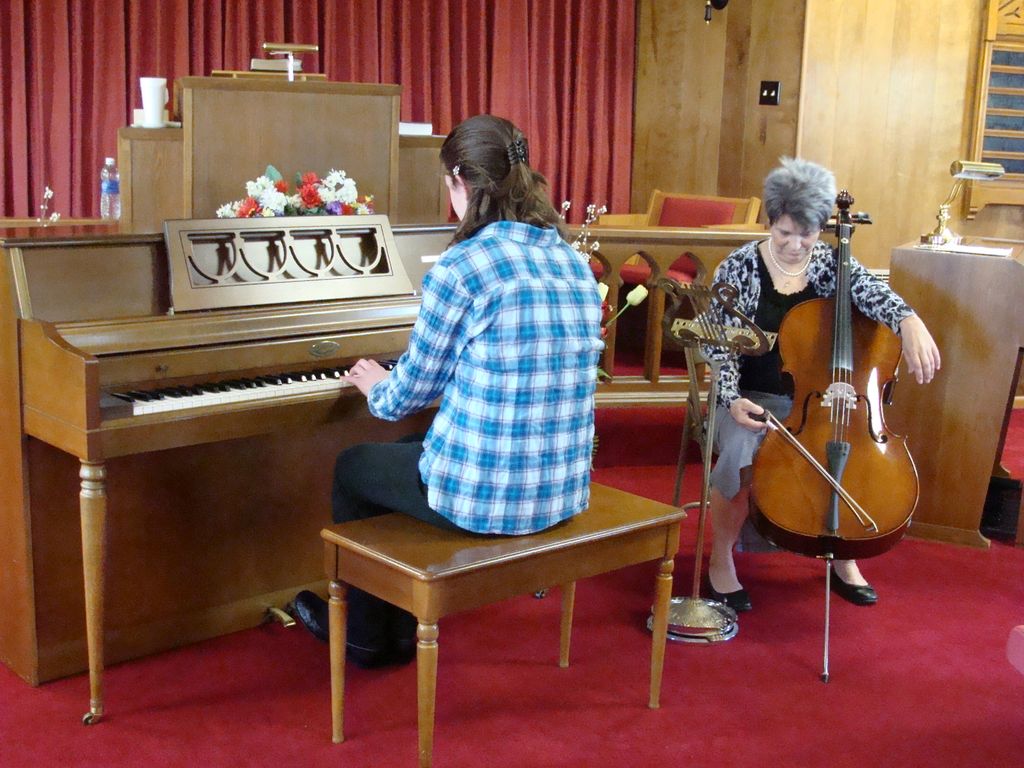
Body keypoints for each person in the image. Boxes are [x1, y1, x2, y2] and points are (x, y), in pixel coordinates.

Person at [291, 115, 605, 666]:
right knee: (403, 456)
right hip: (558, 490)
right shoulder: (572, 262)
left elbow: (400, 401)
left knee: (352, 467)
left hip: (487, 498)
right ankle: (399, 621)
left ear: (461, 181)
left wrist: (374, 381)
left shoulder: (463, 266)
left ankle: (368, 637)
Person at [703, 157, 940, 612]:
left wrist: (909, 321)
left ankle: (843, 556)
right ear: (771, 222)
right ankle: (721, 560)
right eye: (784, 233)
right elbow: (722, 347)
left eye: (805, 235)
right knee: (738, 446)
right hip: (749, 397)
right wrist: (732, 400)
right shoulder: (739, 267)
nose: (795, 245)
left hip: (816, 400)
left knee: (847, 447)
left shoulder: (833, 265)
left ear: (821, 228)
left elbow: (874, 293)